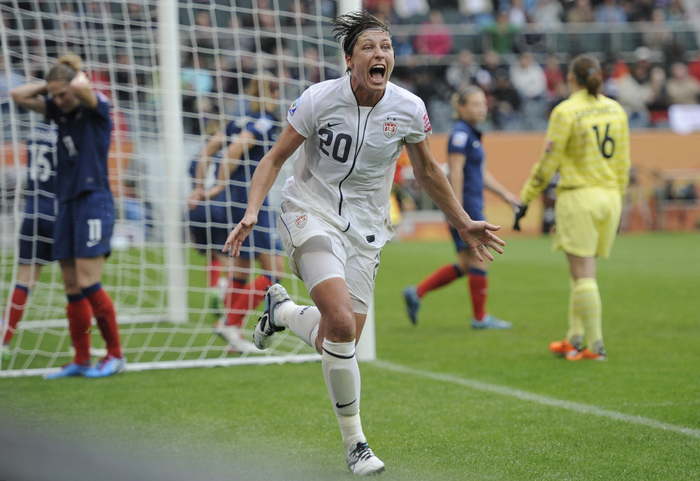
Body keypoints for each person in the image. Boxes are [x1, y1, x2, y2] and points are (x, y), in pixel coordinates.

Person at [223, 11, 506, 476]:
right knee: (337, 320)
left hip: (367, 229)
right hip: (308, 211)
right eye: (370, 47)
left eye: (387, 47)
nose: (381, 54)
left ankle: (283, 313)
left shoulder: (409, 108)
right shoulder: (318, 99)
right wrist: (253, 210)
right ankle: (355, 442)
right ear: (350, 59)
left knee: (340, 336)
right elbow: (274, 159)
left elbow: (429, 171)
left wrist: (460, 222)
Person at [10, 53, 126, 378]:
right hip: (67, 204)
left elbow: (79, 84)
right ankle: (82, 358)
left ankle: (116, 355)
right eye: (54, 95)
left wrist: (71, 74)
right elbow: (18, 95)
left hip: (93, 201)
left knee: (89, 282)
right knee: (72, 287)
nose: (58, 100)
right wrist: (51, 86)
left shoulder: (96, 110)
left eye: (63, 94)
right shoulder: (59, 112)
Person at [514, 54, 630, 361]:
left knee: (583, 275)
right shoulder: (616, 109)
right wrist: (615, 196)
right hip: (610, 198)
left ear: (570, 79)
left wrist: (526, 198)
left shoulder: (566, 112)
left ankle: (595, 346)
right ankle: (574, 338)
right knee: (580, 273)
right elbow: (624, 163)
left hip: (579, 198)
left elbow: (547, 164)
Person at [402, 86, 519, 329]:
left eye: (483, 103)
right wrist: (458, 212)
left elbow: (479, 173)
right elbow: (455, 171)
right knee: (479, 261)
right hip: (467, 208)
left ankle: (417, 292)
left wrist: (505, 195)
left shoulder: (471, 134)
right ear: (461, 108)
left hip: (468, 205)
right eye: (475, 104)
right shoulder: (461, 135)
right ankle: (480, 319)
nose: (481, 108)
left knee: (467, 264)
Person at [187, 76, 285, 353]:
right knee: (275, 272)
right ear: (272, 91)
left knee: (241, 270)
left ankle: (233, 336)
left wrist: (199, 187)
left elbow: (207, 151)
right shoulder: (263, 121)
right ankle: (230, 323)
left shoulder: (237, 119)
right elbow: (235, 149)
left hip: (234, 202)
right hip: (252, 201)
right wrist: (217, 184)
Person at [1, 122, 57, 361]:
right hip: (59, 211)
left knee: (25, 279)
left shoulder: (34, 131)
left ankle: (4, 341)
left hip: (33, 211)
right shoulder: (67, 128)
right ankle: (82, 351)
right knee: (80, 282)